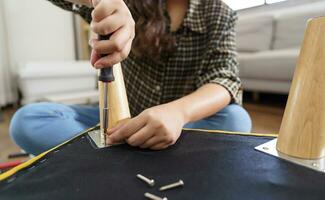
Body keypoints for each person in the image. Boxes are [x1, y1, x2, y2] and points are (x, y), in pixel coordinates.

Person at [10, 0, 252, 155]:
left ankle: (104, 160)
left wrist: (178, 113)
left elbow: (224, 79)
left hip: (180, 127)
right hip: (119, 121)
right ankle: (141, 161)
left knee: (235, 119)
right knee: (28, 119)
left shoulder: (220, 13)